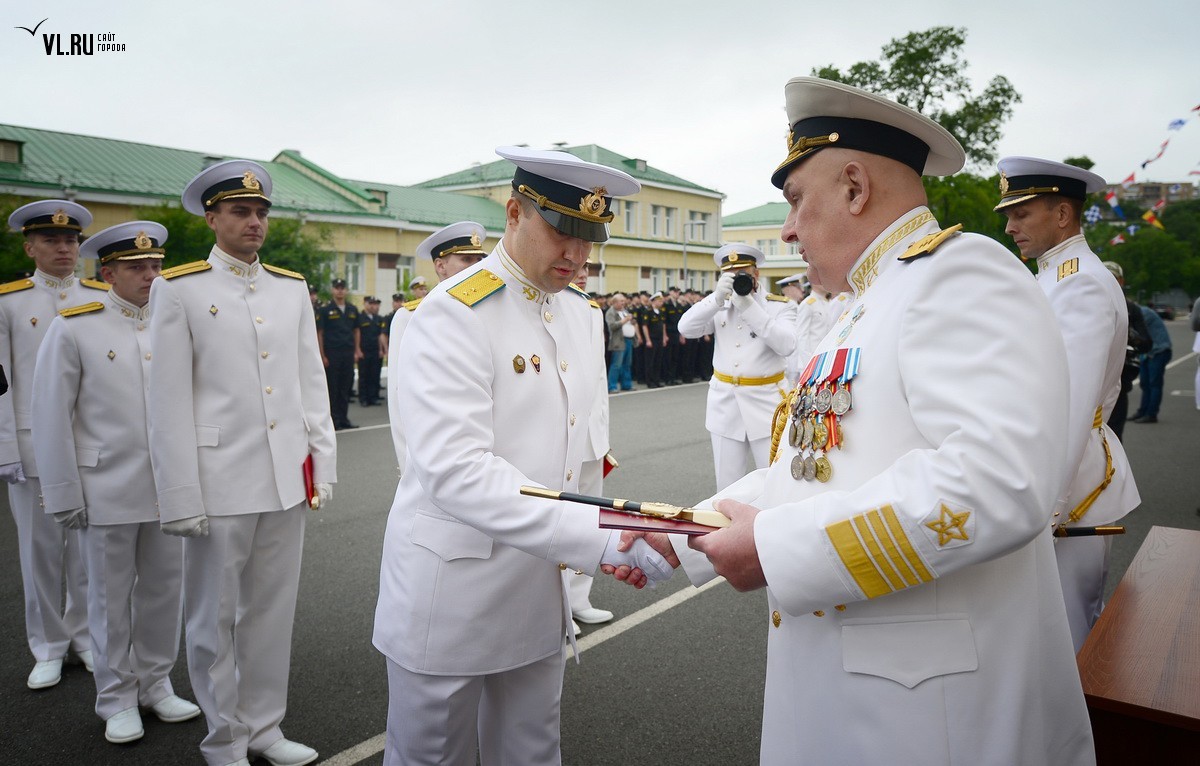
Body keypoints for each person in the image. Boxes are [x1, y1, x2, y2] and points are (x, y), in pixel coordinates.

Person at [663, 76, 1094, 765]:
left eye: (797, 201)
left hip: (932, 716)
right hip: (860, 690)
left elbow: (996, 483)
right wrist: (679, 534)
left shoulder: (958, 274)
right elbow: (819, 468)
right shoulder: (864, 302)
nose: (787, 229)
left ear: (856, 188)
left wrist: (776, 547)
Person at [373, 146, 674, 766]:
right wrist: (596, 537)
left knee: (531, 751)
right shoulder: (454, 312)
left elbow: (577, 450)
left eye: (590, 237)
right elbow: (455, 468)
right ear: (514, 212)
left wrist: (603, 533)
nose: (577, 255)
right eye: (562, 232)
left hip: (539, 585)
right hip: (453, 590)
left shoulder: (578, 314)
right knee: (433, 755)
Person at [148, 159, 336, 766]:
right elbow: (167, 401)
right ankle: (223, 738)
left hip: (285, 477)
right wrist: (178, 495)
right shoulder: (178, 289)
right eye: (239, 211)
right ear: (212, 217)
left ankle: (264, 727)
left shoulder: (290, 287)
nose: (254, 221)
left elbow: (311, 383)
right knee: (213, 619)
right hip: (217, 480)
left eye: (260, 212)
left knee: (271, 615)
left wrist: (321, 465)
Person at [31, 221, 201, 744]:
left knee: (163, 592)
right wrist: (61, 492)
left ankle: (156, 683)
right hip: (105, 485)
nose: (150, 275)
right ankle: (115, 697)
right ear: (108, 273)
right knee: (107, 598)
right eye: (136, 267)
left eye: (155, 266)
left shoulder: (176, 324)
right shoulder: (75, 326)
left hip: (168, 486)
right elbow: (50, 415)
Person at [995, 156, 1141, 650]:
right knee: (1045, 626)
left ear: (1062, 214)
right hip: (1054, 468)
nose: (1010, 226)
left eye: (1021, 214)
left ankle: (1085, 728)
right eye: (1009, 215)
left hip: (1071, 481)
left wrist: (1047, 506)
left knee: (1071, 630)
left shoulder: (1078, 282)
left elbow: (1073, 406)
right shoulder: (1054, 275)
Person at [1, 199, 102, 690]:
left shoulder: (100, 295)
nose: (64, 248)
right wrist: (5, 449)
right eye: (51, 240)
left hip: (93, 446)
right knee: (40, 550)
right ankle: (47, 644)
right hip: (33, 446)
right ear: (30, 246)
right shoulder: (10, 301)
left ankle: (83, 635)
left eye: (71, 240)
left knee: (88, 550)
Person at [678, 243, 798, 490]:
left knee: (773, 482)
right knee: (726, 486)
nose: (738, 279)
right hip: (725, 404)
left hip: (766, 405)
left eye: (743, 273)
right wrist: (715, 298)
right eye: (731, 275)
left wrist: (748, 307)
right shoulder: (719, 305)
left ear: (756, 274)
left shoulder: (781, 305)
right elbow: (685, 328)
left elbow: (786, 345)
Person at [386, 221, 488, 469]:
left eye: (479, 260)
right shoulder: (410, 316)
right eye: (466, 260)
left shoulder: (489, 310)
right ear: (440, 266)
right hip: (434, 454)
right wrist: (410, 465)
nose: (476, 267)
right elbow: (400, 398)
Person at [1102, 261, 1151, 438]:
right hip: (1086, 384)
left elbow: (1146, 343)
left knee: (1112, 438)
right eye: (1104, 277)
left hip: (1118, 383)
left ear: (1121, 281)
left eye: (1113, 278)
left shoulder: (1130, 308)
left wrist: (1125, 331)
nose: (1108, 282)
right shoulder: (1080, 300)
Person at [316, 277, 360, 430]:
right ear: (332, 290)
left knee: (345, 386)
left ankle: (344, 419)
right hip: (332, 353)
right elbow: (320, 333)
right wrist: (322, 355)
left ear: (346, 290)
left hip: (347, 353)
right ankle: (333, 420)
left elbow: (356, 331)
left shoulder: (352, 309)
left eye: (342, 287)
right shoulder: (325, 310)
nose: (340, 290)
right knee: (333, 388)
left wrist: (357, 350)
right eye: (337, 287)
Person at [1130, 303, 1172, 423]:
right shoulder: (1140, 312)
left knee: (1154, 384)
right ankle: (1142, 411)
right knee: (1145, 384)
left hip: (1159, 351)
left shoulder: (1144, 313)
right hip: (1148, 353)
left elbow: (1134, 330)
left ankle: (1151, 414)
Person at [776, 272, 808, 385]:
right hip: (789, 360)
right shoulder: (785, 306)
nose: (802, 291)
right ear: (789, 289)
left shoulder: (795, 305)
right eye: (798, 287)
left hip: (796, 360)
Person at [357, 296, 388, 406]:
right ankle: (364, 398)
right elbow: (357, 334)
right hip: (364, 350)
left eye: (374, 303)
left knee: (374, 375)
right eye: (370, 303)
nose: (373, 306)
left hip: (375, 350)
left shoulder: (378, 318)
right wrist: (358, 350)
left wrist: (381, 350)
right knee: (364, 375)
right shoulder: (360, 318)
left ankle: (373, 397)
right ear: (364, 303)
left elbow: (380, 335)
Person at [605, 292, 635, 392]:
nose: (623, 303)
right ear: (615, 302)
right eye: (621, 301)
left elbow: (629, 323)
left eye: (623, 301)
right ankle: (612, 386)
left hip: (628, 340)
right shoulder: (611, 312)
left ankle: (626, 384)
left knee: (627, 364)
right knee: (616, 365)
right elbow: (612, 326)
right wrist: (625, 320)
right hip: (618, 341)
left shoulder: (624, 311)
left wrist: (631, 321)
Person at [640, 291, 667, 388]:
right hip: (652, 339)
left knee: (657, 361)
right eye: (659, 301)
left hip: (659, 339)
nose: (661, 303)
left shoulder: (661, 312)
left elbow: (663, 325)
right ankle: (649, 381)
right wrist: (648, 340)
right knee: (650, 361)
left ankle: (656, 380)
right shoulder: (648, 312)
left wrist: (664, 337)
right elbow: (644, 326)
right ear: (654, 301)